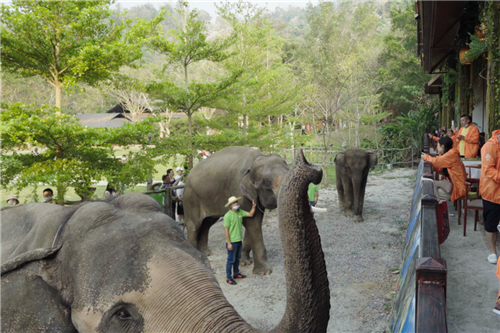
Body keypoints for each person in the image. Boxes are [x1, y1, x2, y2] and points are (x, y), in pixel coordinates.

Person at [223, 196, 256, 285]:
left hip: (238, 240)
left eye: (236, 202)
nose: (236, 204)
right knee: (231, 260)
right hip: (232, 242)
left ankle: (236, 273)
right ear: (230, 205)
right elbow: (226, 230)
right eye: (234, 203)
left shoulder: (240, 212)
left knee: (237, 259)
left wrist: (253, 207)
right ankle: (229, 278)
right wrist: (229, 243)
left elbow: (250, 214)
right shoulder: (227, 216)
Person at [421, 136, 466, 202]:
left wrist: (426, 157)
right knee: (433, 185)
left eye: (438, 146)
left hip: (458, 188)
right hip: (456, 185)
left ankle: (439, 206)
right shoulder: (451, 153)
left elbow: (436, 161)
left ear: (443, 146)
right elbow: (440, 167)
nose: (437, 147)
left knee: (432, 188)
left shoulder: (451, 154)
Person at [479, 129, 500, 264]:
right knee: (491, 223)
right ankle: (492, 251)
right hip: (491, 192)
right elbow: (488, 169)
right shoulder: (489, 146)